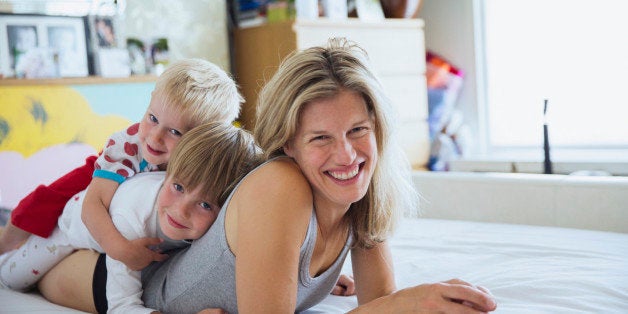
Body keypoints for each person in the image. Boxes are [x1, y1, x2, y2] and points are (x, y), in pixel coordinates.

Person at [39, 38, 496, 313]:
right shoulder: (280, 185)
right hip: (129, 281)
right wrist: (401, 304)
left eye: (359, 130)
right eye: (320, 138)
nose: (347, 154)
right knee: (28, 261)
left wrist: (414, 302)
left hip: (153, 246)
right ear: (288, 145)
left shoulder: (360, 195)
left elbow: (377, 304)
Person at [0, 58, 243, 273]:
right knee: (43, 202)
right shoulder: (129, 145)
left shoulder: (205, 160)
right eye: (153, 118)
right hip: (105, 168)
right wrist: (120, 250)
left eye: (175, 132)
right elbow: (91, 207)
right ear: (149, 103)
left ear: (202, 141)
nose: (156, 137)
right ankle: (5, 241)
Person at [0, 122, 261, 314]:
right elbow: (122, 305)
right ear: (167, 174)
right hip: (71, 226)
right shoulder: (134, 219)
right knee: (12, 278)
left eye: (205, 204)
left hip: (114, 216)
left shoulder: (201, 217)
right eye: (178, 188)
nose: (181, 211)